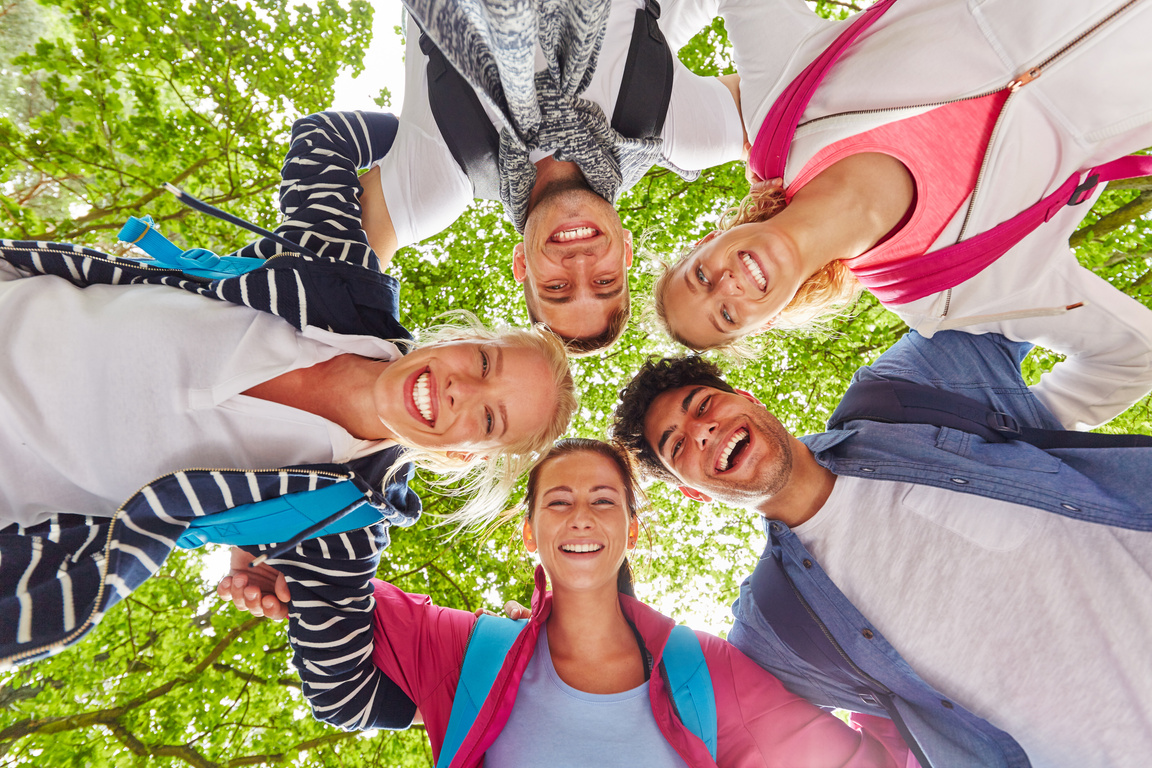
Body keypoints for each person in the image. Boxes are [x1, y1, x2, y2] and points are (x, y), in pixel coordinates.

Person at [0, 110, 577, 668]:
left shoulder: (343, 525)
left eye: (489, 420)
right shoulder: (341, 279)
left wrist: (532, 658)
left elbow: (345, 690)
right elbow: (325, 138)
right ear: (458, 339)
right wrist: (495, 156)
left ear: (460, 455)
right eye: (483, 362)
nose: (461, 391)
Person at [611, 333, 1152, 768]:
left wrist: (1057, 406)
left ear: (748, 400)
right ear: (693, 492)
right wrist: (529, 631)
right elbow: (678, 727)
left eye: (702, 405)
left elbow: (998, 279)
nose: (702, 431)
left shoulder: (902, 397)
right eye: (678, 445)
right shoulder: (774, 628)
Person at [227, 438, 914, 767]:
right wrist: (268, 556)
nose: (580, 517)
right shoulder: (470, 653)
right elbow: (332, 568)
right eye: (558, 502)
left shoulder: (707, 673)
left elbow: (860, 762)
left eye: (602, 501)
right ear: (530, 533)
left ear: (631, 530)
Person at [655, 0, 1152, 431]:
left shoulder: (781, 114)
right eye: (726, 315)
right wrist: (1007, 445)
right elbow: (1134, 357)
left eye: (700, 275)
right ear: (763, 323)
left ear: (709, 239)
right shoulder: (948, 294)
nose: (727, 285)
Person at [362, 0, 745, 353]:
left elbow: (341, 269)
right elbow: (790, 107)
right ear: (626, 250)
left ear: (521, 266)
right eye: (604, 282)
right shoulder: (664, 127)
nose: (579, 262)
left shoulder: (445, 172)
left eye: (556, 287)